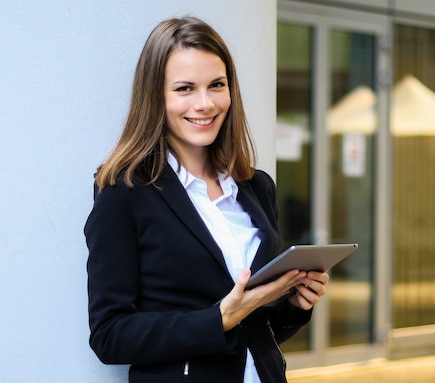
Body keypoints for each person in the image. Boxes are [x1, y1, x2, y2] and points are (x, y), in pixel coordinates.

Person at [84, 16, 329, 383]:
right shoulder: (124, 193)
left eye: (217, 85)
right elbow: (109, 336)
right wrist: (220, 319)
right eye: (185, 89)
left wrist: (293, 305)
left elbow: (255, 330)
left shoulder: (256, 187)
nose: (205, 103)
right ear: (156, 96)